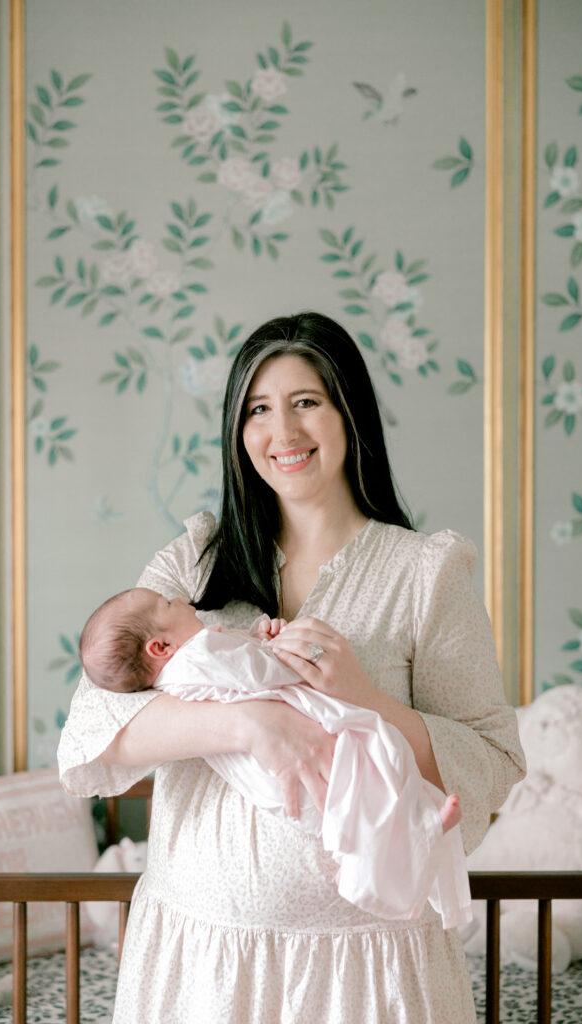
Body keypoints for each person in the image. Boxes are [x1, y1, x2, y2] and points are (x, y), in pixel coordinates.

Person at [58, 311, 525, 1023]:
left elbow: (492, 759)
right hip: (202, 959)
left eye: (306, 401)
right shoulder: (195, 562)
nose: (282, 431)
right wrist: (250, 727)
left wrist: (365, 697)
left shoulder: (422, 574)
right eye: (257, 409)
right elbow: (95, 725)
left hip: (370, 970)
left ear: (349, 414)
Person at [77, 586, 470, 927]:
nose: (180, 600)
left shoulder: (178, 675)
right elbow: (259, 673)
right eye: (167, 604)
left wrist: (259, 640)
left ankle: (374, 854)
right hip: (285, 768)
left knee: (355, 793)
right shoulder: (196, 655)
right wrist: (283, 651)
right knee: (380, 755)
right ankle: (407, 833)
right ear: (160, 647)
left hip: (266, 778)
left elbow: (238, 669)